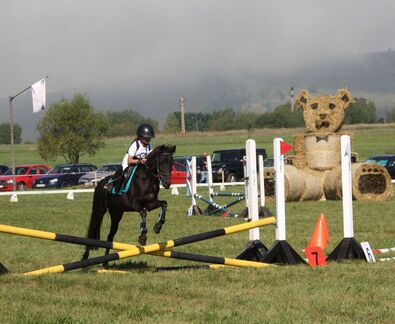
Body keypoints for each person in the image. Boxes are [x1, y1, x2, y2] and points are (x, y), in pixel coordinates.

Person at [111, 124, 155, 192]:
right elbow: (129, 160)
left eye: (149, 138)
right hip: (129, 161)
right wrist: (140, 161)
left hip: (141, 163)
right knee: (124, 173)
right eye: (146, 138)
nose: (148, 139)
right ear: (140, 137)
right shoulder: (135, 145)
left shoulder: (150, 147)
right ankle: (113, 185)